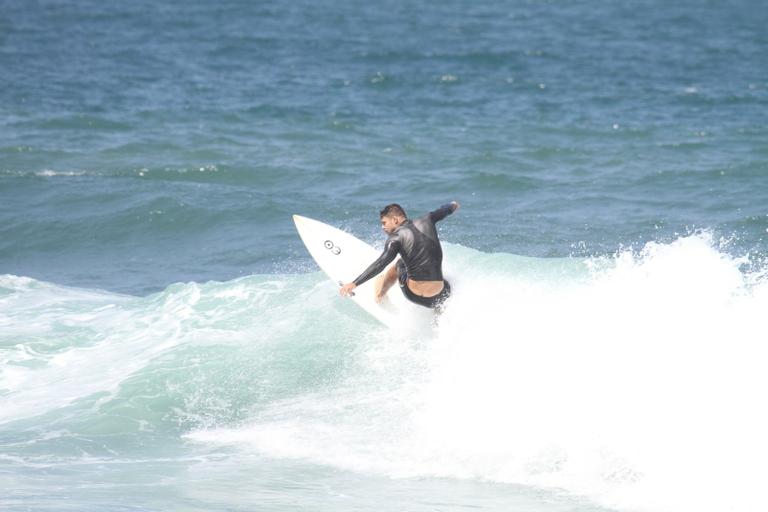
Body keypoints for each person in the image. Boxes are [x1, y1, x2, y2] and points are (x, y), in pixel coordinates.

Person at [339, 201, 459, 309]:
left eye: (384, 222)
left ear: (395, 220)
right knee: (446, 284)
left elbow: (380, 264)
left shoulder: (395, 238)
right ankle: (438, 314)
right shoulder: (428, 219)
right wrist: (453, 205)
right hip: (438, 297)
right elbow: (445, 210)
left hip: (414, 295)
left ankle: (380, 295)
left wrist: (354, 283)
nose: (383, 227)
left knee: (399, 263)